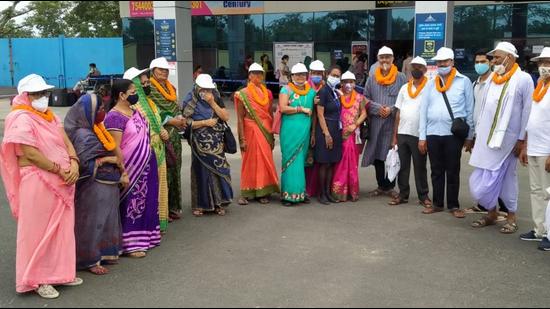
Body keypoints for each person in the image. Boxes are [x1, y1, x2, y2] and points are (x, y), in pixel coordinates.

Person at [0, 74, 83, 299]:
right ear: (25, 96)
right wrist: (60, 169)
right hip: (38, 180)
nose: (42, 97)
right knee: (37, 231)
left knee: (62, 229)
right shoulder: (20, 118)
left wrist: (74, 162)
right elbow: (30, 154)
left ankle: (61, 273)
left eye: (44, 93)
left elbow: (65, 140)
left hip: (63, 180)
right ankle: (37, 279)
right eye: (37, 94)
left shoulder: (49, 116)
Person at [469, 42, 534, 233]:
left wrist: (522, 141)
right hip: (486, 139)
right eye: (494, 57)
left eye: (497, 57)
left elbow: (527, 112)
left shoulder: (523, 79)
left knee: (507, 179)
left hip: (509, 141)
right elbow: (483, 109)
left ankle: (511, 217)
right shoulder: (492, 78)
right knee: (483, 176)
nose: (494, 60)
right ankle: (491, 213)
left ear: (510, 57)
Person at [64, 93, 123, 275]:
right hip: (93, 185)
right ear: (87, 112)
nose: (103, 111)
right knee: (92, 221)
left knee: (106, 219)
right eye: (100, 109)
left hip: (106, 183)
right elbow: (85, 163)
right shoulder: (83, 134)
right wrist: (109, 159)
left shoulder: (97, 128)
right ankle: (89, 259)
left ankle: (104, 252)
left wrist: (112, 160)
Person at [104, 79, 161, 257]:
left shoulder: (135, 111)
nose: (136, 94)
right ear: (121, 95)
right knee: (132, 204)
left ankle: (147, 236)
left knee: (148, 200)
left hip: (146, 166)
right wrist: (122, 171)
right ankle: (131, 244)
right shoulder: (114, 116)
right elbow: (115, 147)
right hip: (130, 168)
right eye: (132, 91)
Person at [418, 47, 474, 219]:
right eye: (439, 62)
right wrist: (422, 137)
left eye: (445, 61)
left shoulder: (463, 81)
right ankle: (437, 204)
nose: (442, 64)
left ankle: (453, 205)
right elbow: (423, 110)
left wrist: (470, 136)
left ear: (452, 62)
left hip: (453, 134)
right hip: (433, 132)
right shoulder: (430, 83)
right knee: (436, 170)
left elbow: (469, 110)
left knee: (452, 169)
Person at [124, 67, 171, 233]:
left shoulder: (150, 102)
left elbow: (157, 122)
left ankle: (160, 221)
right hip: (144, 153)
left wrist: (162, 130)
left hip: (159, 150)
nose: (145, 86)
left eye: (146, 82)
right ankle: (149, 224)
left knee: (160, 187)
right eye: (142, 83)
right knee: (147, 189)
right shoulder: (132, 107)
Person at [181, 74, 233, 216]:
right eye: (203, 89)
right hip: (199, 142)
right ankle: (200, 204)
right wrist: (204, 123)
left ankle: (219, 202)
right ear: (197, 88)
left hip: (216, 141)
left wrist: (212, 103)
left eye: (208, 89)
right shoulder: (190, 100)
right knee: (201, 172)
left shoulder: (215, 97)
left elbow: (225, 116)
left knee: (219, 171)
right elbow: (184, 122)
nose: (206, 92)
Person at [465, 50, 509, 217]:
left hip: (493, 134)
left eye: (483, 61)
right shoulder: (475, 84)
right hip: (478, 132)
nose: (479, 65)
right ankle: (485, 205)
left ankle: (504, 208)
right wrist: (471, 135)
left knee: (496, 170)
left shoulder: (496, 81)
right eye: (477, 61)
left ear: (490, 63)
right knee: (483, 170)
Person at [361, 46, 407, 198]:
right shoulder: (372, 77)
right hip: (376, 123)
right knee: (377, 155)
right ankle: (381, 185)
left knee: (391, 154)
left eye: (388, 57)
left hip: (394, 123)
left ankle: (390, 186)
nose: (385, 60)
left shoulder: (401, 77)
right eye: (382, 57)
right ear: (378, 60)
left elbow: (406, 99)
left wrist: (392, 109)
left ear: (393, 59)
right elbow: (365, 98)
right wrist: (377, 108)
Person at [234, 63, 279, 205]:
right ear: (249, 75)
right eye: (255, 73)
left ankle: (263, 191)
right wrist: (241, 138)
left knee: (265, 160)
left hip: (265, 129)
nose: (258, 76)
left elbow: (270, 113)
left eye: (260, 73)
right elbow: (240, 118)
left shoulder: (268, 93)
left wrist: (271, 133)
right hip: (250, 130)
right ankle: (246, 192)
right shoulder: (243, 94)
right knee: (250, 161)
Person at [148, 57, 186, 220]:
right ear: (152, 71)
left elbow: (176, 107)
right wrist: (171, 121)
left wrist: (180, 119)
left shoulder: (171, 88)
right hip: (159, 133)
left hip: (174, 134)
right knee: (162, 171)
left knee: (175, 168)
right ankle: (160, 209)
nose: (163, 72)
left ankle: (172, 207)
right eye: (160, 69)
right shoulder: (149, 88)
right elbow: (151, 111)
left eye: (165, 70)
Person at [519, 48, 550, 244]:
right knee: (536, 191)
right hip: (534, 147)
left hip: (547, 149)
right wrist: (525, 146)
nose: (543, 66)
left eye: (547, 62)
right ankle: (539, 229)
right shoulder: (539, 85)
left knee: (549, 193)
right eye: (541, 63)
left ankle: (549, 233)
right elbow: (532, 119)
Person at [279, 63, 316, 206]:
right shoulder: (286, 89)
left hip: (305, 132)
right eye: (297, 74)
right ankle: (287, 195)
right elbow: (282, 108)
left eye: (303, 74)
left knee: (300, 162)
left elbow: (314, 115)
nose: (300, 77)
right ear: (292, 76)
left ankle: (300, 192)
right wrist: (300, 109)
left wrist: (313, 133)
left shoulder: (311, 92)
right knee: (290, 161)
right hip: (290, 132)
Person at [331, 71, 367, 202]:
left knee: (352, 163)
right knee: (339, 163)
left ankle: (352, 191)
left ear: (355, 83)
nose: (348, 84)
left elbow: (364, 113)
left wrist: (355, 125)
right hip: (338, 134)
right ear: (341, 83)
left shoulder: (359, 97)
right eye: (346, 82)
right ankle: (339, 192)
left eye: (351, 82)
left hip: (353, 134)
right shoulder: (337, 96)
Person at [313, 64, 341, 204]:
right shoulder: (323, 91)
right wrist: (327, 134)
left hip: (335, 129)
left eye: (338, 76)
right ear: (327, 74)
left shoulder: (335, 92)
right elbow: (320, 114)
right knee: (324, 163)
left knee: (331, 163)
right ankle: (321, 193)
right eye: (333, 75)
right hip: (325, 130)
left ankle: (329, 192)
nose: (335, 78)